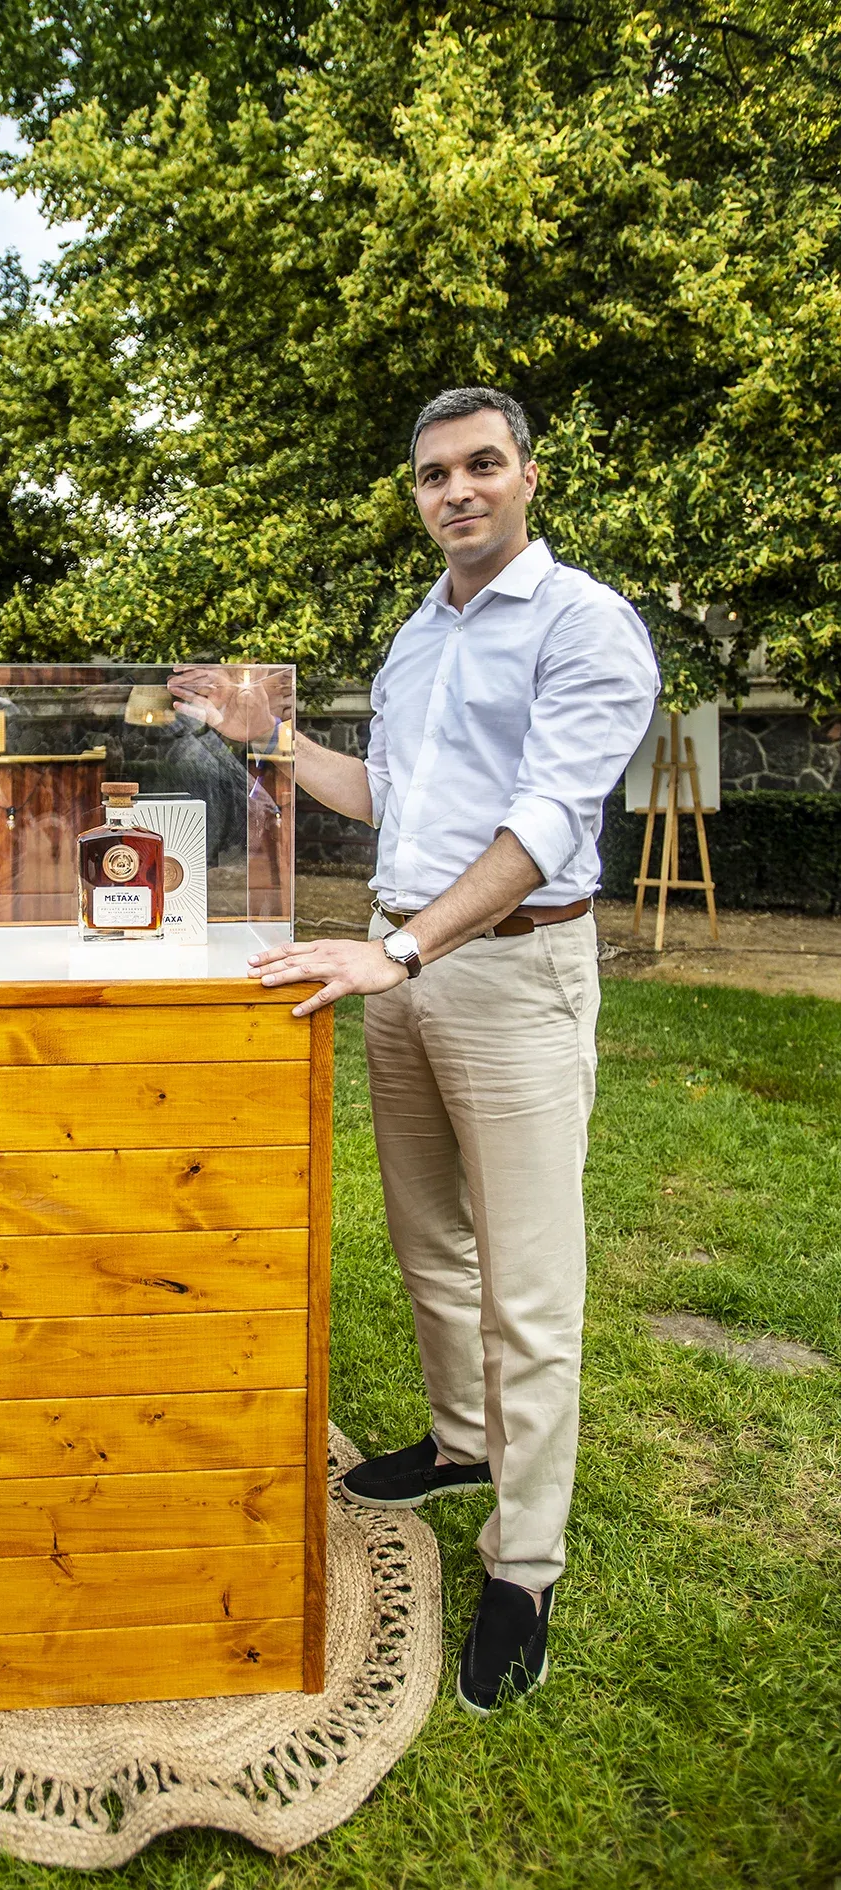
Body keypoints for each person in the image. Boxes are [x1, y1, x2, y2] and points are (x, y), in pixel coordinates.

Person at [177, 386, 659, 1716]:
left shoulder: (584, 624)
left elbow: (548, 821)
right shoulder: (417, 634)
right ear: (417, 496)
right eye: (435, 474)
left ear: (527, 476)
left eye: (481, 464)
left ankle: (524, 1565)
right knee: (429, 1241)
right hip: (402, 965)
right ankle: (459, 1444)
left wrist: (400, 949)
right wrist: (272, 739)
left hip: (509, 971)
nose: (457, 490)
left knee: (529, 1291)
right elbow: (392, 795)